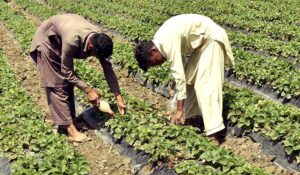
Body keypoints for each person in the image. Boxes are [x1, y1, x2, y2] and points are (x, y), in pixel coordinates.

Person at [134, 14, 234, 138]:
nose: (158, 65)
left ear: (153, 51)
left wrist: (179, 109)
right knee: (189, 81)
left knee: (205, 84)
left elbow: (179, 74)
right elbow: (181, 68)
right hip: (200, 45)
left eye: (154, 62)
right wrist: (175, 84)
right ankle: (192, 119)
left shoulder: (166, 41)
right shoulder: (161, 41)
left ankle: (215, 130)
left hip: (211, 39)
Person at [30, 14, 126, 142]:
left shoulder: (100, 41)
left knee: (68, 83)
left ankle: (71, 121)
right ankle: (71, 131)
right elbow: (66, 71)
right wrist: (88, 90)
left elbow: (108, 71)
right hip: (47, 42)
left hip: (61, 38)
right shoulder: (72, 40)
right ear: (91, 47)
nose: (97, 59)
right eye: (97, 56)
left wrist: (118, 98)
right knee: (56, 84)